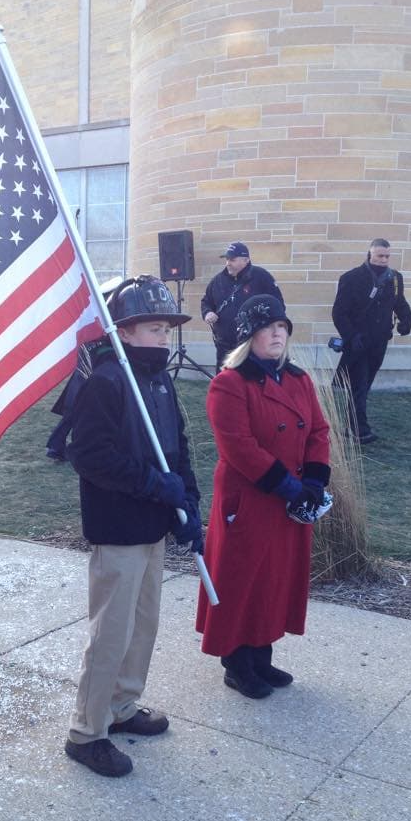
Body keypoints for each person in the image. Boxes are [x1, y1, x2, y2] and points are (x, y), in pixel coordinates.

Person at [64, 275, 203, 777]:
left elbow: (177, 444)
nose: (163, 338)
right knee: (111, 633)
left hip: (154, 525)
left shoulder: (158, 378)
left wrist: (188, 499)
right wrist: (153, 485)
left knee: (143, 626)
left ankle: (122, 706)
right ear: (123, 331)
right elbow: (92, 456)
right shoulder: (106, 381)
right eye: (152, 329)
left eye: (166, 330)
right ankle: (87, 731)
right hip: (118, 525)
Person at [195, 294, 330, 699]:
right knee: (242, 580)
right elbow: (239, 448)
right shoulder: (228, 384)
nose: (277, 333)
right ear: (248, 336)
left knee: (276, 578)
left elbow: (319, 433)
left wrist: (316, 485)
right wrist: (291, 489)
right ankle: (236, 663)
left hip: (291, 502)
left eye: (282, 327)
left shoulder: (298, 380)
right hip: (251, 500)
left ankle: (262, 655)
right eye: (268, 327)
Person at [332, 238, 411, 444]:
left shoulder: (395, 278)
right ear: (370, 254)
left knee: (364, 385)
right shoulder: (351, 278)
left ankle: (351, 426)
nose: (384, 259)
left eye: (387, 256)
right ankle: (360, 430)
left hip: (379, 342)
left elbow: (400, 303)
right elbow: (339, 313)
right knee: (359, 384)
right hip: (358, 343)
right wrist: (351, 336)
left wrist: (407, 320)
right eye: (380, 255)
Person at [46, 276, 122, 461]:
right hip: (92, 362)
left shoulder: (101, 310)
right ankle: (57, 446)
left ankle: (56, 445)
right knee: (77, 406)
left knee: (76, 406)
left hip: (92, 361)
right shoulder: (99, 312)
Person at [201, 241, 284, 371]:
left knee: (251, 384)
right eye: (227, 259)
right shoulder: (217, 281)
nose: (228, 263)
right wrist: (207, 313)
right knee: (225, 385)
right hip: (224, 347)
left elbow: (278, 306)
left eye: (232, 259)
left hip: (252, 346)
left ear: (246, 260)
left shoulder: (261, 277)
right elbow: (206, 301)